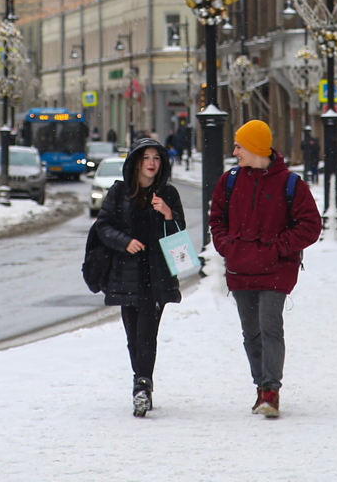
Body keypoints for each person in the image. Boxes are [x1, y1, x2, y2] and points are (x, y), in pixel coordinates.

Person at [209, 119, 322, 418]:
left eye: (239, 146)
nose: (235, 152)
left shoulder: (291, 184)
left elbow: (311, 225)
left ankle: (271, 390)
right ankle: (261, 387)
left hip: (275, 271)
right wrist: (227, 246)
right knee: (251, 333)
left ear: (256, 148)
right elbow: (216, 219)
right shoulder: (229, 181)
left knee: (270, 327)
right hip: (239, 269)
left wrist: (278, 247)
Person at [96, 137, 185, 417]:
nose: (151, 163)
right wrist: (125, 242)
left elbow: (180, 236)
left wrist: (168, 214)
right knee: (133, 336)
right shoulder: (120, 192)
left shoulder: (168, 194)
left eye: (156, 158)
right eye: (146, 157)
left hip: (156, 276)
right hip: (126, 275)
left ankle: (142, 386)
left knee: (147, 333)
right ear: (136, 162)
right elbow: (103, 226)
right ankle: (142, 382)